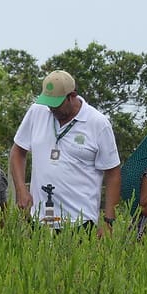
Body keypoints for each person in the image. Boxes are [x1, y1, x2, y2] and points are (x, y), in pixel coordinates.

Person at [10, 69, 121, 233]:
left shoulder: (98, 123)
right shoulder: (37, 111)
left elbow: (113, 173)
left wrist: (108, 221)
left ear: (72, 96)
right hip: (39, 220)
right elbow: (17, 152)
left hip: (80, 222)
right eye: (48, 103)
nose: (51, 109)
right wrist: (21, 189)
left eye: (56, 104)